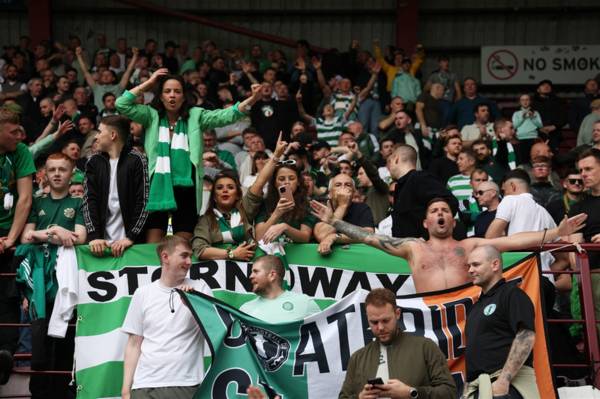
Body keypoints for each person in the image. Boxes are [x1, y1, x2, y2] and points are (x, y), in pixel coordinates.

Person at [310, 196, 586, 293]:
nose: (440, 214)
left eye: (445, 211)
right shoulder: (413, 246)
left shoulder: (469, 246)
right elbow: (368, 237)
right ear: (425, 223)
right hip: (428, 320)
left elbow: (512, 241)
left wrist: (555, 233)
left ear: (453, 222)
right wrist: (334, 222)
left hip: (465, 316)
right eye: (434, 212)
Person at [115, 68, 264, 242]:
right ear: (160, 96)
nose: (172, 95)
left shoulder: (196, 116)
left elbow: (226, 116)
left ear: (184, 96)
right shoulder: (150, 115)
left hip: (188, 186)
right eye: (167, 91)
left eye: (177, 92)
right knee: (153, 242)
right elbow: (121, 104)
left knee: (183, 243)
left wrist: (252, 99)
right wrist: (149, 83)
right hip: (158, 185)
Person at [18, 153, 86, 399]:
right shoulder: (37, 203)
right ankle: (39, 394)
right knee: (40, 339)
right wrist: (57, 232)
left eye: (62, 169)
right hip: (39, 280)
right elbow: (27, 236)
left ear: (72, 173)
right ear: (44, 173)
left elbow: (79, 238)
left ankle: (62, 391)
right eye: (52, 169)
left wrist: (48, 232)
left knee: (66, 337)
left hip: (66, 279)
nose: (57, 174)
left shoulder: (79, 203)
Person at [121, 235, 211, 399]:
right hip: (143, 386)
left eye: (190, 256)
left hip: (186, 383)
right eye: (184, 255)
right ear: (165, 257)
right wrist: (126, 390)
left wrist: (193, 305)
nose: (189, 261)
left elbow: (212, 332)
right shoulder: (142, 293)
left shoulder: (200, 288)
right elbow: (134, 344)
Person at [338, 288, 456, 399]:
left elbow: (449, 392)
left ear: (397, 314)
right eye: (374, 322)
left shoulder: (425, 347)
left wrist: (411, 393)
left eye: (385, 320)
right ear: (367, 319)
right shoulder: (358, 358)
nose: (380, 327)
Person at [192, 135, 287, 260]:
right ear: (214, 196)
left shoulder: (245, 209)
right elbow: (199, 249)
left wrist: (275, 156)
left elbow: (259, 183)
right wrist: (232, 254)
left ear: (237, 195)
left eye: (230, 187)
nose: (225, 190)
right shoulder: (206, 220)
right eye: (220, 188)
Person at [464, 245, 539, 399]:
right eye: (469, 266)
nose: (470, 270)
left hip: (506, 387)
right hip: (481, 388)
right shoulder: (476, 307)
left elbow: (526, 335)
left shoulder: (512, 294)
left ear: (495, 265)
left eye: (476, 264)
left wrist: (504, 380)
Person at [0, 109, 35, 381]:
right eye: (13, 131)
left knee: (10, 296)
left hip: (10, 235)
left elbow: (24, 199)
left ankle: (6, 353)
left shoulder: (20, 151)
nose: (19, 136)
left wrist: (11, 239)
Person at [83, 115, 149, 257]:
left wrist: (131, 237)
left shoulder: (137, 160)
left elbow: (143, 202)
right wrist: (94, 236)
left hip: (132, 246)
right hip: (100, 246)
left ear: (113, 135)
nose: (96, 137)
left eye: (100, 132)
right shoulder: (93, 162)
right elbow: (89, 201)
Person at [387, 145, 457, 239]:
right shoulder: (400, 187)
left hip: (425, 250)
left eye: (389, 162)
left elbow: (451, 202)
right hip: (405, 249)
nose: (388, 167)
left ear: (396, 159)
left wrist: (428, 237)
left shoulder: (419, 179)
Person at [569, 148, 600, 342]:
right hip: (594, 274)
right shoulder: (579, 207)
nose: (583, 175)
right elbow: (575, 250)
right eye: (581, 170)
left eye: (588, 169)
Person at [240, 255, 320, 322]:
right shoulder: (245, 310)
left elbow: (324, 332)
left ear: (272, 275)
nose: (251, 276)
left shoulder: (305, 303)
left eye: (256, 271)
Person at [255, 156, 315, 244]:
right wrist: (277, 213)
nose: (287, 182)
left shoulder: (307, 204)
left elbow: (305, 237)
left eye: (291, 178)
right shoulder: (265, 204)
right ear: (275, 183)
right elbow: (259, 237)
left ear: (298, 182)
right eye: (281, 179)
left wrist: (285, 227)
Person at [314, 173, 375, 255]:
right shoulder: (322, 208)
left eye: (348, 185)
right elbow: (322, 235)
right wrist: (342, 206)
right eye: (338, 185)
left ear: (353, 193)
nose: (343, 187)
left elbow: (369, 234)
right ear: (330, 193)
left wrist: (335, 237)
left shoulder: (362, 208)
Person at [75, 46, 138, 111]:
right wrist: (79, 56)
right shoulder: (96, 88)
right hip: (100, 118)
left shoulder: (119, 87)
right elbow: (86, 72)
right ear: (100, 78)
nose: (105, 77)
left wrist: (135, 56)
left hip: (116, 117)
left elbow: (128, 72)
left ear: (113, 78)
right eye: (103, 75)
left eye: (108, 75)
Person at [512, 94, 543, 163]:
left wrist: (533, 118)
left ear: (530, 101)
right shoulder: (516, 114)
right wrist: (522, 118)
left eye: (527, 100)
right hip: (521, 139)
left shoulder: (535, 113)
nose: (525, 102)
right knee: (523, 159)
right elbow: (514, 126)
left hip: (533, 137)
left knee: (533, 158)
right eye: (522, 100)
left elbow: (540, 126)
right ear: (520, 102)